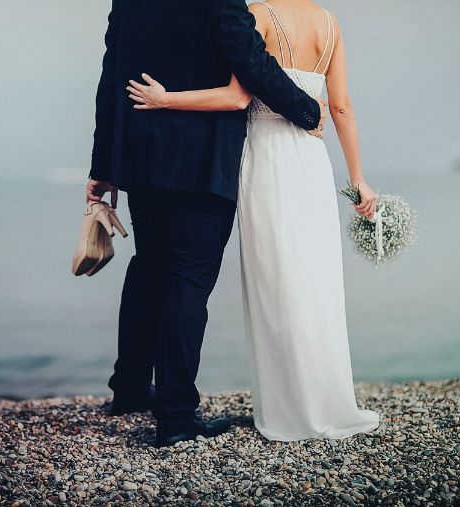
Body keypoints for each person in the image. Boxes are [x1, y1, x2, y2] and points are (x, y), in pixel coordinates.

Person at [125, 0, 381, 441]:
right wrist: (359, 180)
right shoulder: (329, 23)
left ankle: (285, 405)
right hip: (311, 160)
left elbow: (237, 96)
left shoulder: (256, 15)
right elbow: (340, 106)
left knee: (272, 279)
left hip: (263, 158)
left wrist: (165, 99)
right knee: (314, 276)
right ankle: (325, 398)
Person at [86, 0, 328, 447]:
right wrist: (307, 110)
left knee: (149, 267)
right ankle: (177, 417)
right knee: (187, 282)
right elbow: (249, 59)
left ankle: (131, 389)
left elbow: (110, 76)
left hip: (140, 154)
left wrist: (101, 166)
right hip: (200, 160)